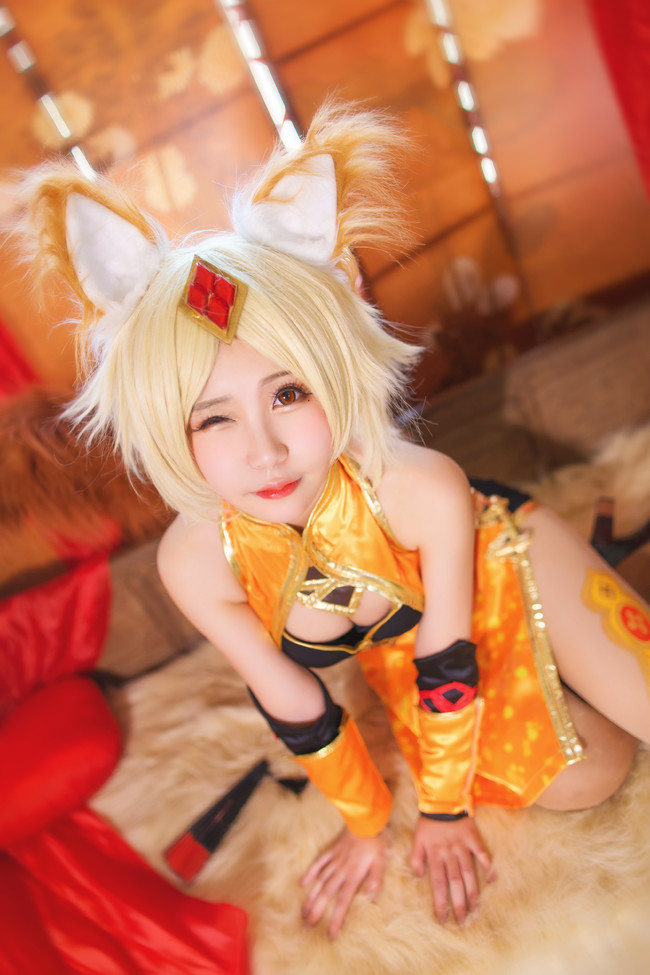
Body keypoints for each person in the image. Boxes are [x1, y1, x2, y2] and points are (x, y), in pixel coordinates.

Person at [24, 102, 650, 938]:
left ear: (332, 375)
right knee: (586, 777)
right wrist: (366, 826)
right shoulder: (196, 562)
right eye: (213, 418)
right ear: (169, 431)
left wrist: (444, 811)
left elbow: (446, 660)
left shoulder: (420, 486)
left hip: (513, 559)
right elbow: (299, 708)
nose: (266, 451)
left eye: (288, 393)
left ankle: (605, 584)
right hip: (406, 657)